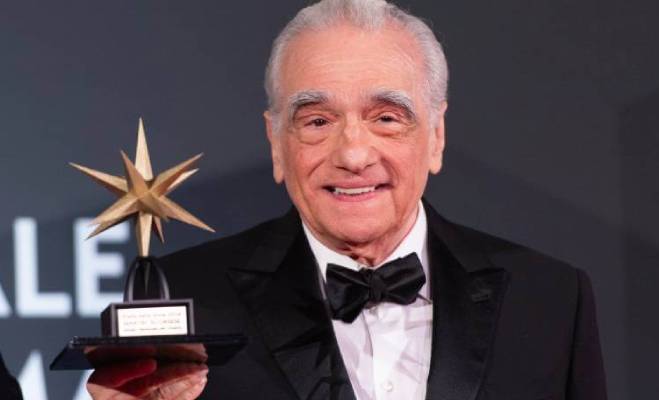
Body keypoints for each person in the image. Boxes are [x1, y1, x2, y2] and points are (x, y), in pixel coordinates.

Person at [87, 0, 607, 399]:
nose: (353, 155)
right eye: (317, 121)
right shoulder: (187, 303)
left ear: (436, 136)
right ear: (276, 144)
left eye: (387, 118)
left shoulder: (549, 300)